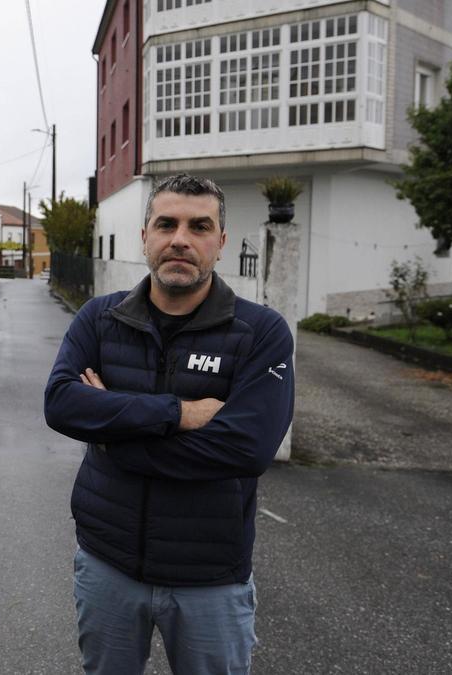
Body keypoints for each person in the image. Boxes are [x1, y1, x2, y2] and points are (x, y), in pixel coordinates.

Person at [43, 173, 294, 674]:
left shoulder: (260, 333)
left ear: (220, 243)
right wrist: (178, 413)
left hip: (211, 580)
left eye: (199, 226)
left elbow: (246, 449)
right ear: (145, 237)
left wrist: (112, 432)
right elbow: (62, 404)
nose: (181, 238)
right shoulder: (99, 318)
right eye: (166, 224)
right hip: (106, 564)